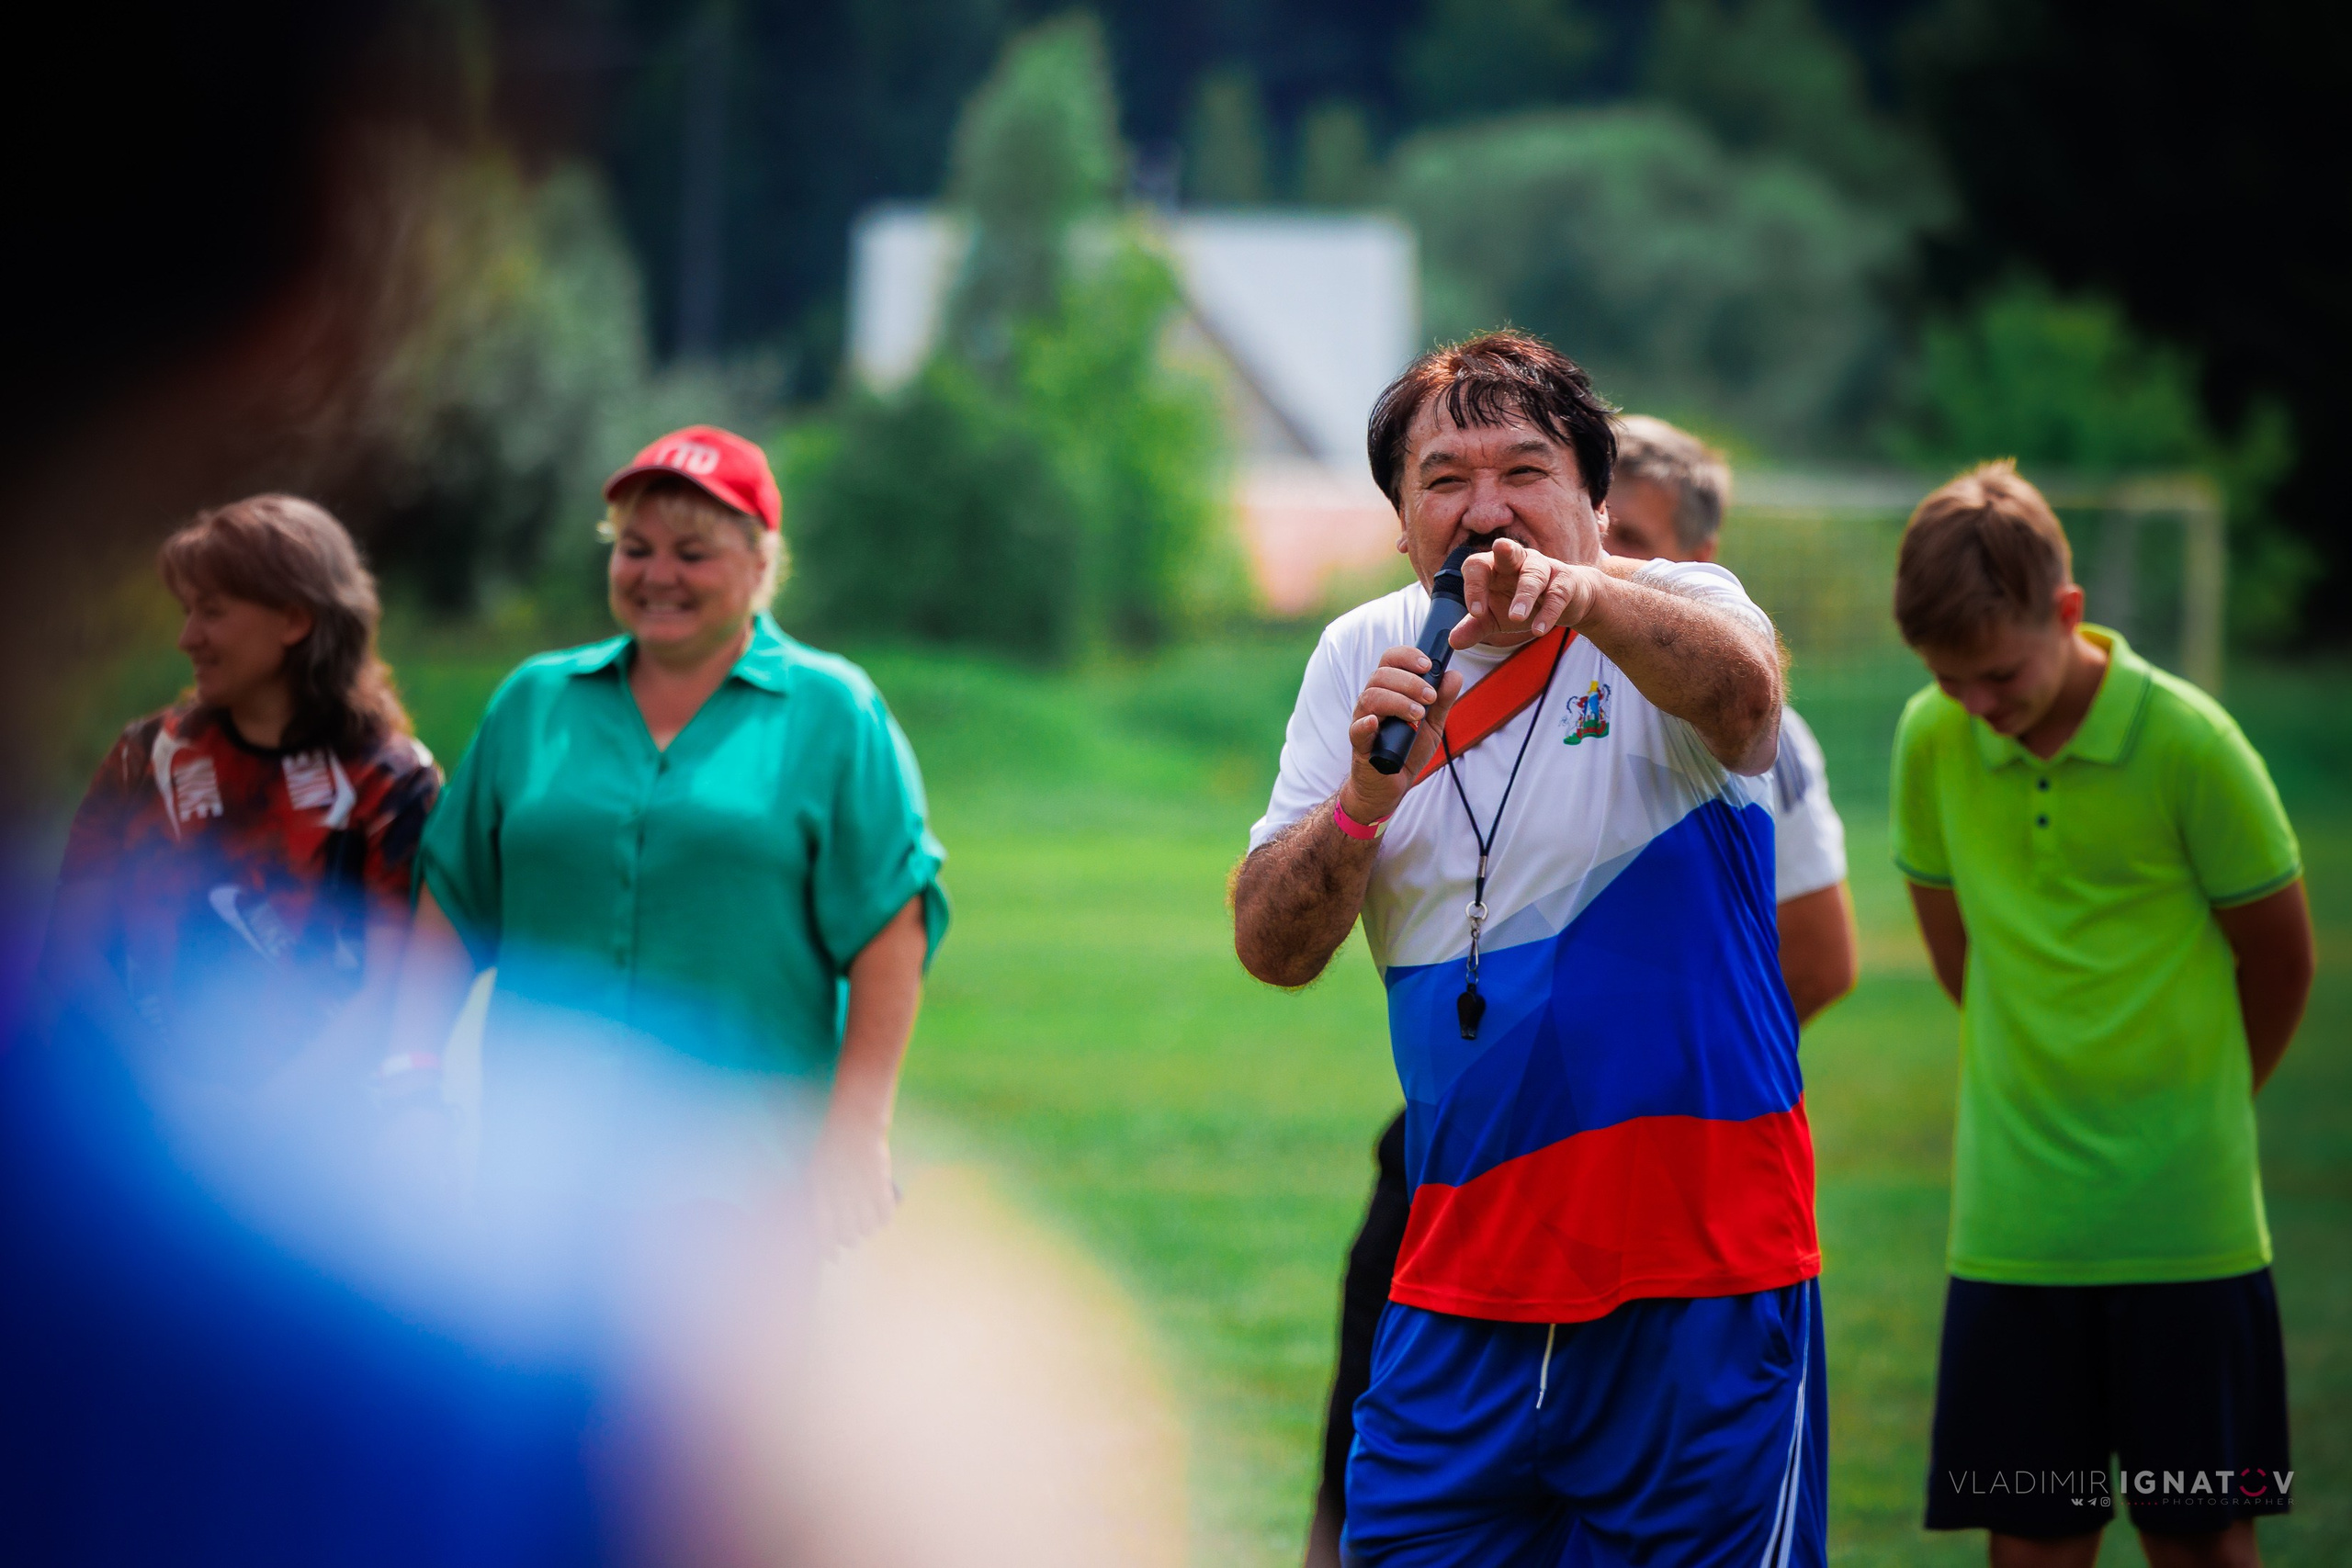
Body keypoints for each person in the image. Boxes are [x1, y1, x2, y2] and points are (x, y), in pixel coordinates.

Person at [1235, 333, 1824, 1567]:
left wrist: (1587, 593)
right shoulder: (1358, 654)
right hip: (1459, 1279)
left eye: (1526, 468)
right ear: (1402, 519)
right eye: (1444, 476)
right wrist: (1358, 798)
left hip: (1693, 1280)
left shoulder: (1684, 609)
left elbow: (1748, 704)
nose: (1486, 506)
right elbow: (1272, 944)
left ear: (1595, 500)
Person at [1890, 463, 2312, 1566]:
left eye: (1998, 674)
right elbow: (1962, 961)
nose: (1977, 705)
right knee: (2030, 1544)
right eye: (1949, 681)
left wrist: (2199, 1098)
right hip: (2011, 1238)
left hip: (2190, 1232)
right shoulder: (1927, 740)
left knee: (2202, 1545)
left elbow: (2280, 965)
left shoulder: (2192, 744)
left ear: (2067, 615)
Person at [391, 425, 946, 1251]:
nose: (657, 575)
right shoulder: (532, 702)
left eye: (693, 553)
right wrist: (411, 1077)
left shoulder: (835, 710)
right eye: (635, 548)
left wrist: (857, 1132)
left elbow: (888, 928)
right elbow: (453, 898)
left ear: (762, 565)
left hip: (742, 1174)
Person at [43, 494, 440, 1102]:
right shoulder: (142, 757)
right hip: (128, 1120)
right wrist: (164, 1101)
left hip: (308, 1141)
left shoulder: (395, 782)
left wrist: (254, 1124)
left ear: (294, 619)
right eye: (187, 611)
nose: (186, 637)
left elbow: (390, 991)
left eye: (211, 612)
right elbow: (70, 952)